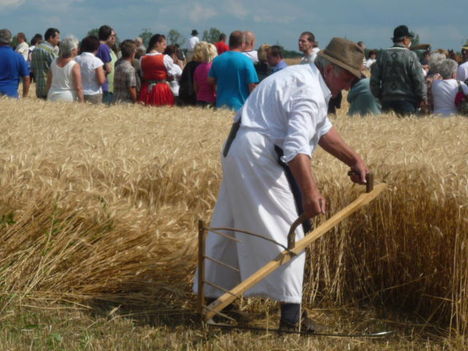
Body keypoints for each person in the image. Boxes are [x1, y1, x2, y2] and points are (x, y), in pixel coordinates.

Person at [194, 37, 369, 332]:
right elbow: (296, 148)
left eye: (353, 78)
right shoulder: (311, 90)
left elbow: (321, 128)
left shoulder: (305, 78)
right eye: (346, 76)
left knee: (232, 223)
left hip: (240, 148)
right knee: (289, 231)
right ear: (329, 70)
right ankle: (291, 317)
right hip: (256, 154)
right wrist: (310, 194)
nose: (349, 85)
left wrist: (355, 160)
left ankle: (214, 300)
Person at [370, 25, 427, 116]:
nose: (410, 42)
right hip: (407, 101)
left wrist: (379, 95)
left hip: (386, 101)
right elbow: (418, 79)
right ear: (405, 39)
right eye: (409, 39)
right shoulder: (411, 55)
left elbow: (374, 79)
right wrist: (422, 97)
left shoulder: (383, 55)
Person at [208, 30, 258, 111]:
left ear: (229, 43)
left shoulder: (217, 60)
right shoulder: (247, 61)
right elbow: (252, 85)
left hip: (220, 105)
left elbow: (210, 80)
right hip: (240, 106)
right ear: (242, 44)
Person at [139, 34, 182, 106]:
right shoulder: (165, 58)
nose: (165, 47)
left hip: (146, 89)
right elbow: (171, 75)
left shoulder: (142, 58)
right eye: (164, 44)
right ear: (157, 44)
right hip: (161, 89)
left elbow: (142, 74)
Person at [46, 36, 84, 102]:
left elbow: (48, 82)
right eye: (76, 48)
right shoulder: (74, 65)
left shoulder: (53, 62)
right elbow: (78, 87)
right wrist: (82, 102)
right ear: (72, 50)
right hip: (68, 97)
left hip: (52, 95)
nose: (78, 50)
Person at [30, 27, 60, 99]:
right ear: (51, 38)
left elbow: (33, 68)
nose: (59, 40)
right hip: (50, 87)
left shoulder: (35, 49)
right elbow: (58, 68)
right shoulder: (50, 51)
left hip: (38, 87)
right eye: (57, 38)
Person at [75, 35, 106, 104]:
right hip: (93, 93)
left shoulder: (76, 59)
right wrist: (104, 73)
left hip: (79, 92)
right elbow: (101, 81)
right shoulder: (96, 61)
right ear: (96, 47)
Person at [0, 28, 29, 98]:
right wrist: (25, 97)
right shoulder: (18, 57)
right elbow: (26, 78)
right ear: (11, 40)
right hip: (11, 96)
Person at [96, 25, 117, 104]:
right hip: (105, 86)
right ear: (109, 37)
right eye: (113, 36)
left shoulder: (101, 47)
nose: (114, 38)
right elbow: (109, 68)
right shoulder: (103, 47)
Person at [113, 40, 138, 104]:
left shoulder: (117, 65)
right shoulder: (130, 69)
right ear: (133, 53)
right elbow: (131, 88)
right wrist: (135, 101)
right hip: (126, 102)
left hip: (116, 99)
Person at [193, 42, 217, 107]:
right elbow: (216, 87)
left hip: (200, 99)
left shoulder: (198, 68)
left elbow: (195, 87)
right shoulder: (214, 67)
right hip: (212, 100)